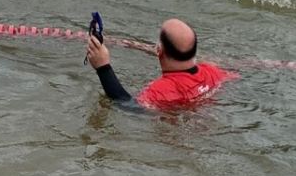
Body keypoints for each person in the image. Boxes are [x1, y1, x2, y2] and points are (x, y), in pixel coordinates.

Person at [86, 17, 237, 108]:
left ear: (159, 50)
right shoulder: (214, 72)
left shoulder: (160, 91)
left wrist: (103, 67)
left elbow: (128, 106)